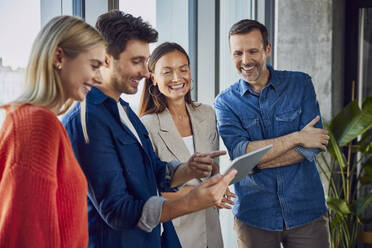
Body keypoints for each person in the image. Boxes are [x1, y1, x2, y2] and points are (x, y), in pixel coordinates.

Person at [62, 10, 236, 248]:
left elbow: (154, 172)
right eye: (137, 61)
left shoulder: (124, 111)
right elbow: (118, 210)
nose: (145, 72)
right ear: (105, 59)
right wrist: (192, 201)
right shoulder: (86, 121)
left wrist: (189, 169)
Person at [214, 19, 331, 248]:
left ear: (267, 49)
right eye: (238, 53)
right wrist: (297, 137)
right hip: (254, 216)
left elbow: (313, 146)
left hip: (307, 212)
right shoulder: (225, 103)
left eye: (253, 51)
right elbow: (241, 153)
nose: (245, 61)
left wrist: (256, 163)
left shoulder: (300, 84)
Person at [0, 16, 106, 247]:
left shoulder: (42, 122)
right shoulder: (36, 124)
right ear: (59, 57)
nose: (99, 78)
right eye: (94, 65)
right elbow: (29, 235)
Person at [139, 42, 235, 248]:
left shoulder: (207, 114)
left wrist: (219, 184)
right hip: (175, 233)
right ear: (153, 78)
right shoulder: (146, 125)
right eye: (167, 72)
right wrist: (197, 195)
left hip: (211, 229)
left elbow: (209, 171)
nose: (177, 78)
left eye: (183, 69)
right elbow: (147, 192)